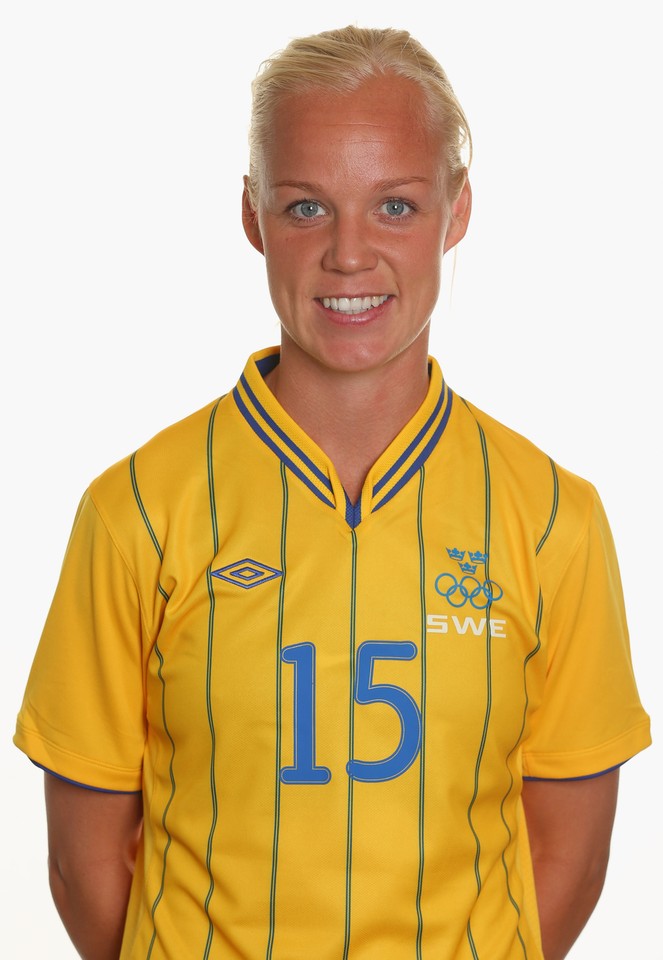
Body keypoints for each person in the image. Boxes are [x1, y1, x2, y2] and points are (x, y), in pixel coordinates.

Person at [14, 24, 650, 960]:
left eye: (394, 205)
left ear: (456, 211)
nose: (350, 254)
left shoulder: (554, 517)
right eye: (306, 207)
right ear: (252, 217)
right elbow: (85, 863)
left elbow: (569, 855)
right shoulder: (136, 510)